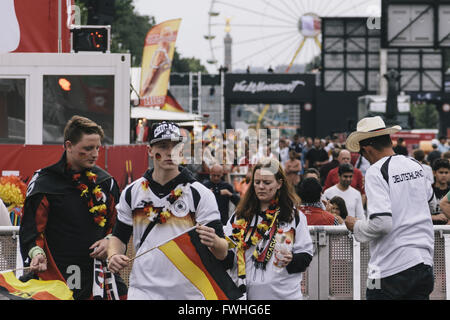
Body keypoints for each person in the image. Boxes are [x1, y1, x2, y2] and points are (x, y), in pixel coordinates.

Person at [106, 121, 229, 299]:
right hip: (143, 291)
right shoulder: (132, 192)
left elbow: (222, 252)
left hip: (188, 294)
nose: (170, 152)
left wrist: (215, 242)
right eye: (163, 146)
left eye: (176, 146)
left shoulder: (200, 194)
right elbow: (119, 236)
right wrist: (113, 255)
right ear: (149, 151)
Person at [19, 115, 126, 300]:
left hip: (97, 276)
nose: (95, 154)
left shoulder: (106, 182)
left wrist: (109, 241)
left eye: (98, 148)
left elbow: (118, 227)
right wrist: (36, 253)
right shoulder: (43, 182)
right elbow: (31, 231)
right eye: (88, 148)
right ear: (68, 146)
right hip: (55, 276)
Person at [344, 116, 435, 300]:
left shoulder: (376, 171)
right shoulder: (416, 166)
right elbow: (432, 205)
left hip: (387, 270)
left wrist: (356, 225)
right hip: (424, 264)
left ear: (367, 149)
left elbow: (382, 224)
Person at [223, 158, 313, 300]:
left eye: (267, 182)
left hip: (284, 295)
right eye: (257, 182)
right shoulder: (239, 216)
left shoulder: (293, 216)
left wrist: (292, 259)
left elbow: (306, 255)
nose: (261, 187)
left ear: (279, 184)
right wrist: (216, 246)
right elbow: (228, 256)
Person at [430, 158, 450, 225]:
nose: (444, 175)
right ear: (434, 173)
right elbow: (419, 214)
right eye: (441, 172)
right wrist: (434, 217)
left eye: (446, 172)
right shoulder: (428, 191)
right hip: (432, 229)